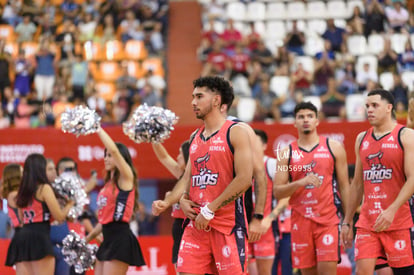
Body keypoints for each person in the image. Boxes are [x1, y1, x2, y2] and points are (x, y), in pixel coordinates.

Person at [153, 76, 254, 274]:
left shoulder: (236, 132)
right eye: (193, 97)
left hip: (227, 226)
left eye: (199, 96)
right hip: (196, 225)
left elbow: (244, 180)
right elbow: (188, 178)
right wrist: (179, 199)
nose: (193, 102)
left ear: (216, 100)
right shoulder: (195, 137)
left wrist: (211, 209)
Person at [342, 89, 414, 275]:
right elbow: (357, 183)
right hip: (368, 222)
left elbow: (413, 178)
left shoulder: (405, 136)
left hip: (398, 221)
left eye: (375, 105)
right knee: (362, 271)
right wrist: (347, 221)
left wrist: (392, 209)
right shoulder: (362, 138)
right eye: (367, 106)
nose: (369, 110)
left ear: (389, 107)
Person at [273, 101, 350, 275]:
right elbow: (278, 191)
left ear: (317, 120)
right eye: (301, 117)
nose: (305, 120)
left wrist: (348, 220)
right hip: (301, 222)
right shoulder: (286, 153)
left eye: (310, 116)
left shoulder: (334, 147)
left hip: (328, 220)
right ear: (295, 122)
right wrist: (300, 182)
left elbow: (345, 187)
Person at [85, 127, 145, 275]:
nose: (106, 158)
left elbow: (115, 150)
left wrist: (97, 128)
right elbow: (104, 220)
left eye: (109, 155)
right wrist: (86, 240)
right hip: (107, 238)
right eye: (105, 155)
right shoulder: (107, 185)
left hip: (120, 237)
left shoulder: (126, 177)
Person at [11, 153, 74, 275]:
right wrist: (70, 204)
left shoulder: (22, 190)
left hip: (21, 238)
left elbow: (22, 218)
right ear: (40, 168)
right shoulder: (44, 188)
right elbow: (60, 218)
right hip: (39, 238)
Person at [151, 140, 190, 273]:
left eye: (180, 153)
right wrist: (153, 137)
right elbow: (163, 157)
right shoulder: (181, 175)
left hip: (190, 229)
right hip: (178, 230)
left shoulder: (195, 178)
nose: (177, 156)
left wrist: (173, 198)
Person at [247, 129, 278, 275]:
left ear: (265, 145)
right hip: (244, 228)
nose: (252, 146)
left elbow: (286, 197)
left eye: (256, 143)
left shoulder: (271, 164)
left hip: (264, 230)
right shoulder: (242, 165)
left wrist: (269, 219)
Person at [3, 163, 26, 274]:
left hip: (23, 234)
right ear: (16, 176)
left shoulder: (15, 194)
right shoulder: (14, 194)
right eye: (22, 173)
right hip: (21, 235)